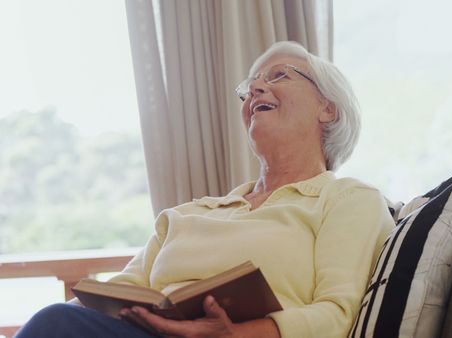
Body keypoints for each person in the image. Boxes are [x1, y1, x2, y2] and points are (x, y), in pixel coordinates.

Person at [15, 41, 394, 338]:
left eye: (280, 76)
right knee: (62, 322)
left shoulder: (347, 199)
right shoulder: (187, 214)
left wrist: (239, 335)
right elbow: (122, 294)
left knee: (55, 324)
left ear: (328, 109)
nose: (255, 89)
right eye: (249, 89)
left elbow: (338, 314)